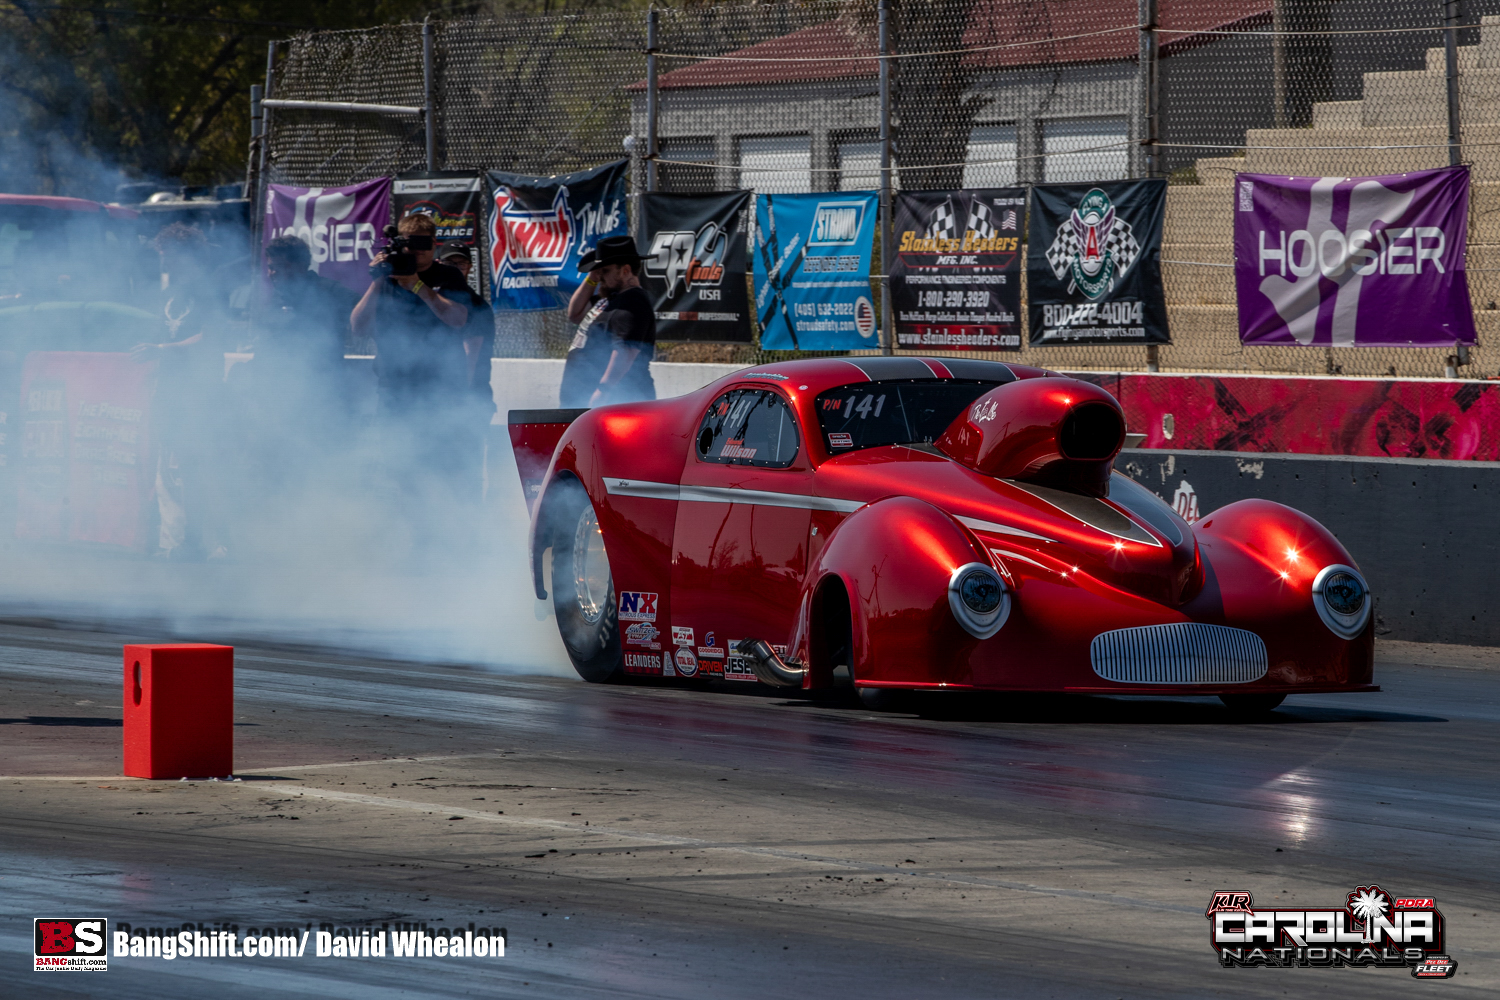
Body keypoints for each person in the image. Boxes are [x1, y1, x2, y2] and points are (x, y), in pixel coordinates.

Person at [349, 214, 476, 529]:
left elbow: (458, 319)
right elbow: (358, 328)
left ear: (434, 244)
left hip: (440, 390)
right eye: (410, 245)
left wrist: (417, 285)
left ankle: (452, 529)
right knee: (399, 467)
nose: (417, 252)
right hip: (395, 389)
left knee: (445, 466)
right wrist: (378, 280)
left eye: (423, 245)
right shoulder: (387, 277)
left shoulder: (447, 275)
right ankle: (413, 531)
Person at [131, 222, 231, 559]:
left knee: (201, 465)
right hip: (170, 391)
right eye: (163, 255)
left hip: (201, 393)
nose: (165, 262)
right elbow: (161, 338)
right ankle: (185, 539)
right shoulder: (168, 295)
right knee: (177, 465)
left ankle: (214, 540)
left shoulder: (211, 290)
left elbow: (212, 337)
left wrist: (162, 349)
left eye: (170, 255)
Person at [560, 235, 656, 408]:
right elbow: (575, 314)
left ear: (625, 271)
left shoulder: (633, 301)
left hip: (619, 400)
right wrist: (592, 277)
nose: (600, 276)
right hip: (590, 398)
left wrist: (603, 391)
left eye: (605, 271)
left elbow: (625, 350)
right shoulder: (610, 299)